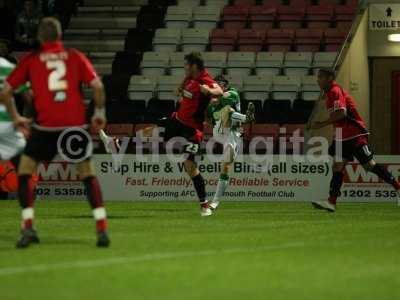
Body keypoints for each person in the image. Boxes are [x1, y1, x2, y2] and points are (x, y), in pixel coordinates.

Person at [0, 17, 110, 248]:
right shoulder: (74, 56)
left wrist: (17, 117)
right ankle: (101, 229)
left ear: (40, 37)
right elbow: (98, 86)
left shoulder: (31, 59)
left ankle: (28, 227)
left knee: (24, 172)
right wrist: (99, 113)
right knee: (87, 175)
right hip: (75, 128)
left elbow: (7, 90)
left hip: (45, 128)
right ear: (60, 36)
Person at [144, 52, 223, 216]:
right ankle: (114, 144)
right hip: (177, 121)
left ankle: (205, 206)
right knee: (151, 129)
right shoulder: (189, 78)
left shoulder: (204, 78)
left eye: (186, 65)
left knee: (190, 166)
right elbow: (181, 90)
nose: (184, 68)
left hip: (192, 129)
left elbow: (219, 91)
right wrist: (181, 88)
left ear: (193, 65)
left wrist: (207, 90)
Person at [310, 68, 400, 212]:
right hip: (341, 136)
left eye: (321, 77)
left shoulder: (335, 91)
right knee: (337, 166)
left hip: (353, 133)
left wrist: (321, 124)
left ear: (330, 78)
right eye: (318, 77)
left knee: (369, 166)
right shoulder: (329, 94)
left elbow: (342, 114)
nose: (318, 80)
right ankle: (331, 202)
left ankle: (398, 187)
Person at [206, 75, 255, 211]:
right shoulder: (212, 101)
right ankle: (247, 118)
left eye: (219, 84)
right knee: (227, 111)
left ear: (226, 85)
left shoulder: (232, 93)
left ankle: (215, 202)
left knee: (225, 167)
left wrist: (209, 96)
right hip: (220, 130)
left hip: (233, 135)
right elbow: (209, 118)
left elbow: (219, 98)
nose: (217, 86)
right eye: (215, 84)